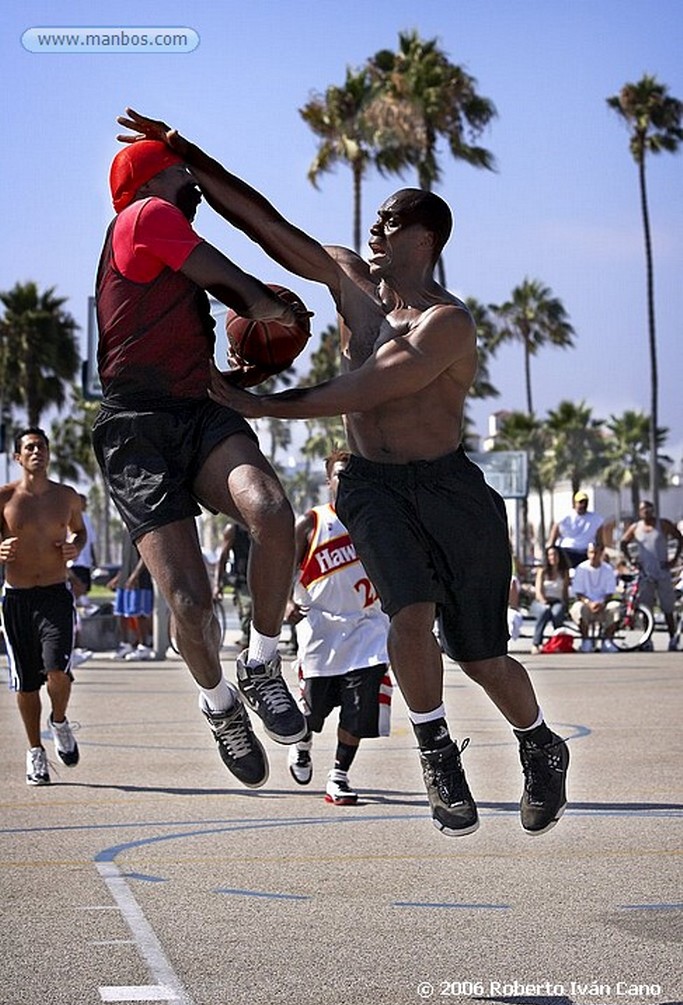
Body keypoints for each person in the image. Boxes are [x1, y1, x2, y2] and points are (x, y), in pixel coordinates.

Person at [116, 109, 570, 837]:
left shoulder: (444, 324)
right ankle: (435, 755)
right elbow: (268, 227)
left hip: (450, 488)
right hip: (372, 484)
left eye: (390, 222)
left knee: (482, 656)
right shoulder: (351, 286)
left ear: (424, 238)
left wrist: (262, 405)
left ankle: (538, 745)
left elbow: (366, 389)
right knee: (409, 615)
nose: (374, 231)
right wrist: (188, 156)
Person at [93, 132, 309, 789]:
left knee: (271, 512)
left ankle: (261, 661)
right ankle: (219, 705)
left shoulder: (165, 244)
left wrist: (239, 366)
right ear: (156, 180)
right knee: (188, 602)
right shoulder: (143, 215)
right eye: (184, 176)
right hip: (137, 429)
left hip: (196, 408)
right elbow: (240, 286)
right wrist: (275, 314)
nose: (195, 188)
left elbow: (187, 328)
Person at [286, 450, 392, 806]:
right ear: (328, 480)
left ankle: (338, 776)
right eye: (339, 475)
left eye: (351, 475)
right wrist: (286, 600)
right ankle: (302, 743)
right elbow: (282, 567)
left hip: (367, 627)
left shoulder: (378, 521)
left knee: (359, 708)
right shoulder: (312, 522)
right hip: (321, 627)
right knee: (313, 713)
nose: (345, 481)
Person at [0, 428, 86, 785]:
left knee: (57, 672)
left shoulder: (66, 497)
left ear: (49, 455)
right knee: (26, 683)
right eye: (30, 448)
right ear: (18, 457)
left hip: (55, 594)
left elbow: (79, 532)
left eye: (42, 447)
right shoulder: (4, 498)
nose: (37, 452)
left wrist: (75, 547)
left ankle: (60, 721)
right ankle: (36, 752)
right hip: (17, 598)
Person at [620, 501, 682, 651]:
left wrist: (674, 559)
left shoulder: (663, 524)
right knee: (647, 607)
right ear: (639, 512)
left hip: (662, 572)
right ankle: (647, 640)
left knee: (667, 607)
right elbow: (623, 543)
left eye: (649, 509)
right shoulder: (636, 528)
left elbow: (679, 538)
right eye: (643, 510)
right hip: (645, 574)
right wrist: (632, 560)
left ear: (653, 510)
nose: (646, 512)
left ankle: (672, 638)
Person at [108, 531, 154, 660]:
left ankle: (144, 646)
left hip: (140, 581)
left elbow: (146, 557)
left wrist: (135, 575)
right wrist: (118, 577)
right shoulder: (125, 532)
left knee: (140, 614)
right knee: (121, 613)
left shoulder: (142, 530)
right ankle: (125, 645)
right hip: (125, 580)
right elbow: (125, 559)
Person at [570, 542, 621, 653]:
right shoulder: (581, 568)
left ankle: (607, 640)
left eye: (596, 553)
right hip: (586, 604)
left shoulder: (608, 569)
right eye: (591, 552)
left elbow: (610, 592)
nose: (593, 556)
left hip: (603, 604)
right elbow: (578, 592)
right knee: (577, 608)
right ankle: (586, 641)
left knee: (615, 607)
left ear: (601, 553)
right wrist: (589, 603)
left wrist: (602, 603)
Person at [68, 493, 97, 666]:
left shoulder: (86, 519)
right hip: (71, 566)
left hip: (84, 566)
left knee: (77, 604)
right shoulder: (68, 516)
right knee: (72, 603)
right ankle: (72, 648)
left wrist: (95, 562)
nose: (84, 505)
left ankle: (75, 649)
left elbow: (90, 542)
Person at [213, 521, 252, 650]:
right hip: (243, 581)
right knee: (248, 613)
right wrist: (217, 584)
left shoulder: (263, 525)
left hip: (264, 579)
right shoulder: (233, 529)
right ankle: (246, 645)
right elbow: (223, 558)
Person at [548, 492, 604, 570]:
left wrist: (600, 550)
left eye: (585, 502)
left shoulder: (596, 519)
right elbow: (554, 533)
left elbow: (600, 540)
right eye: (580, 502)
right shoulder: (564, 517)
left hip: (586, 552)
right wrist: (550, 547)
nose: (583, 505)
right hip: (566, 551)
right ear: (575, 503)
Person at [531, 546, 570, 653]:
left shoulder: (564, 572)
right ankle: (536, 643)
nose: (553, 557)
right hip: (541, 601)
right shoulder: (542, 571)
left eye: (555, 555)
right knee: (545, 611)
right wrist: (544, 602)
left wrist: (566, 605)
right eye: (550, 555)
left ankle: (557, 642)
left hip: (557, 601)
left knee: (557, 612)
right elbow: (538, 592)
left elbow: (565, 592)